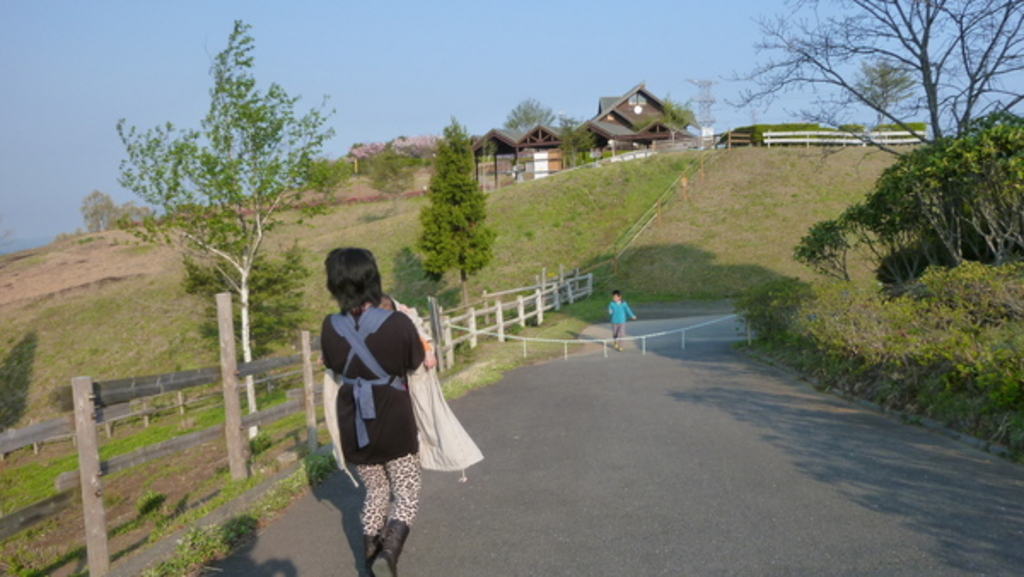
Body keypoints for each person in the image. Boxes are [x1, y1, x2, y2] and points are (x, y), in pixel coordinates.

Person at [320, 248, 424, 577]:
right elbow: (415, 361)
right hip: (393, 416)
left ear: (334, 285)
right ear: (372, 278)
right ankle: (389, 552)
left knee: (375, 490)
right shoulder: (397, 322)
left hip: (353, 418)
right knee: (406, 489)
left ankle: (368, 558)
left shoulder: (330, 326)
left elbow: (334, 365)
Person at [380, 294, 484, 478]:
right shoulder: (398, 317)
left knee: (425, 417)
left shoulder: (402, 320)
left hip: (410, 382)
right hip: (402, 384)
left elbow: (419, 337)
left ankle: (416, 457)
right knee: (422, 418)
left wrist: (427, 352)